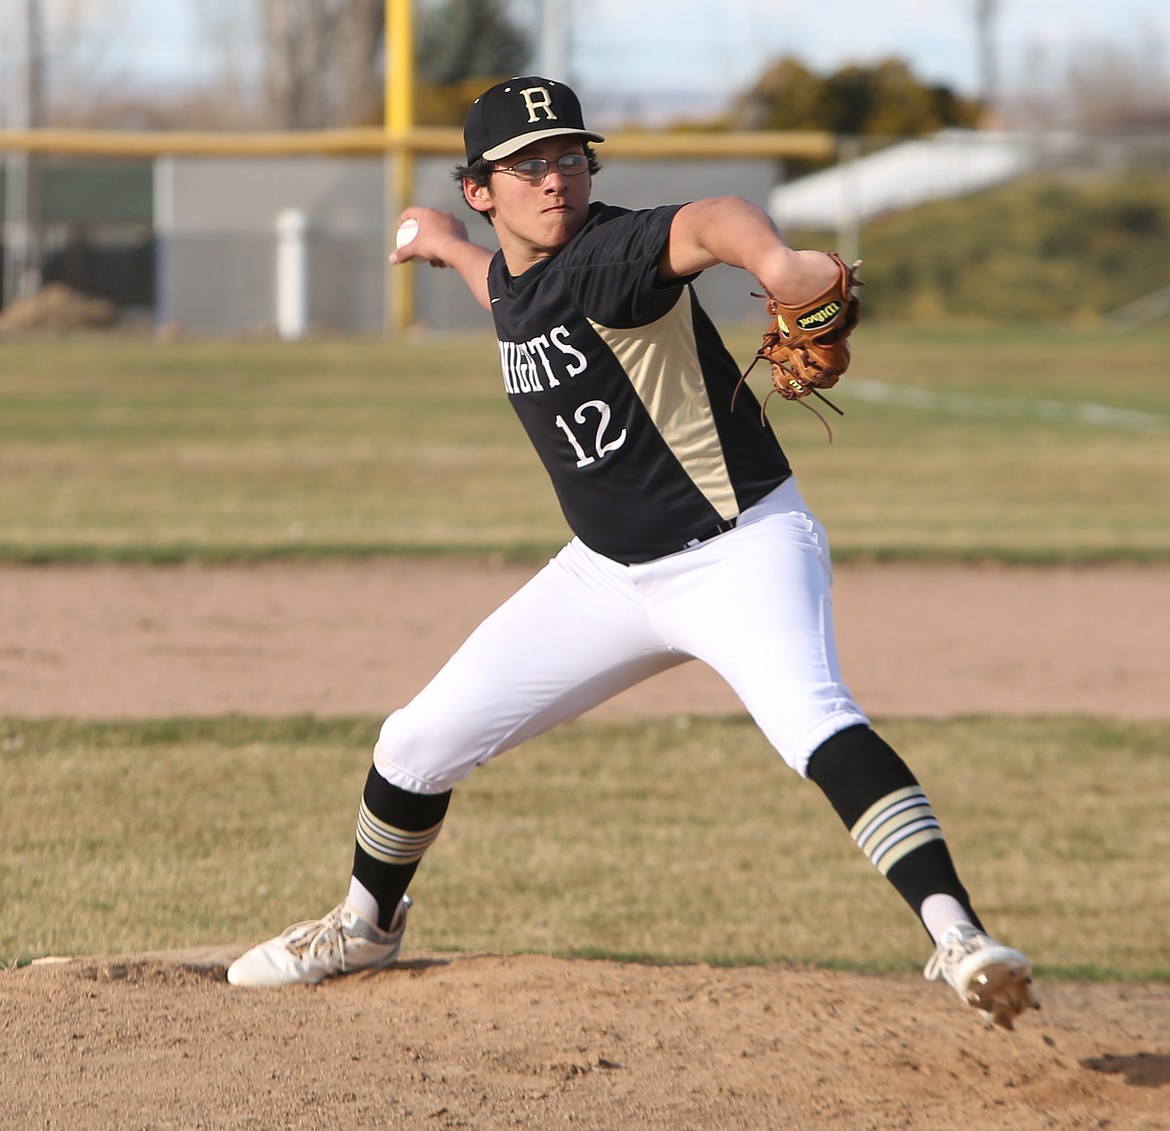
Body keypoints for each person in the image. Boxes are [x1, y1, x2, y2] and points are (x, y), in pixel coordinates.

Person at [227, 76, 1039, 1029]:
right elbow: (503, 286)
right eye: (526, 166)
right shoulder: (515, 267)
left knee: (814, 723)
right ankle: (366, 925)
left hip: (740, 552)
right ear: (481, 191)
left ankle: (960, 938)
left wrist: (774, 262)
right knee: (412, 743)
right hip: (607, 574)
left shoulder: (612, 255)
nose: (554, 179)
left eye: (569, 158)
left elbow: (712, 220)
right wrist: (440, 243)